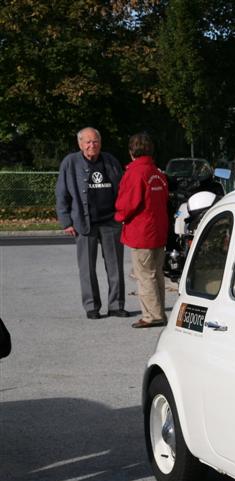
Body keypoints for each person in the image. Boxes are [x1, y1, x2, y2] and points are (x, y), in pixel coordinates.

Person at [56, 127, 127, 319]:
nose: (91, 145)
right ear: (80, 144)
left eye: (95, 141)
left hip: (111, 221)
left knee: (115, 266)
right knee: (87, 268)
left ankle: (116, 305)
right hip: (83, 222)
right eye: (87, 142)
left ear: (100, 143)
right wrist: (66, 221)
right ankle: (92, 306)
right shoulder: (70, 163)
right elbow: (61, 193)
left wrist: (122, 214)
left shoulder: (110, 161)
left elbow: (122, 188)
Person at [114, 133, 170, 329]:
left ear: (131, 152)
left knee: (145, 275)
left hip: (141, 231)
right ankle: (159, 311)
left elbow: (128, 203)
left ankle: (152, 315)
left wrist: (118, 216)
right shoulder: (157, 173)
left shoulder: (135, 173)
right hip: (158, 229)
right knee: (156, 274)